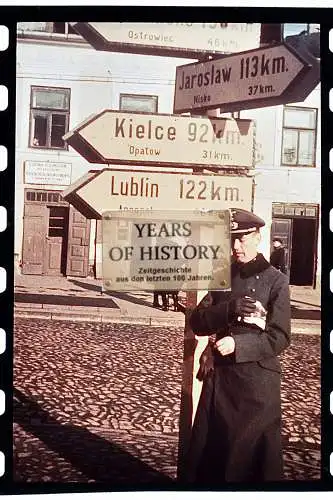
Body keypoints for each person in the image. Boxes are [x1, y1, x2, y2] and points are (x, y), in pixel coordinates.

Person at [184, 208, 291, 484]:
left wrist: (238, 344)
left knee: (248, 461)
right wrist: (228, 310)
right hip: (220, 383)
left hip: (256, 388)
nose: (235, 247)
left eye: (242, 239)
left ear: (257, 238)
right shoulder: (223, 275)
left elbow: (279, 336)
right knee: (212, 458)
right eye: (232, 239)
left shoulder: (276, 281)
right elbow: (198, 322)